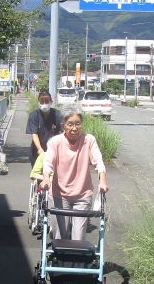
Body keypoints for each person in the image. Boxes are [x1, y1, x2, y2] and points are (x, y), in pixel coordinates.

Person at [40, 109, 108, 240]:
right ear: (63, 125)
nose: (74, 128)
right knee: (60, 236)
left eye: (78, 123)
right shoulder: (55, 142)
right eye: (70, 124)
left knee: (78, 238)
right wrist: (46, 179)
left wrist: (103, 181)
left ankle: (75, 260)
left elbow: (98, 161)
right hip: (59, 195)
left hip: (82, 195)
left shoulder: (89, 140)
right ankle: (59, 259)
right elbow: (48, 162)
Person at [25, 90, 62, 166]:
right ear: (38, 103)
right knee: (37, 175)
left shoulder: (57, 115)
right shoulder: (34, 115)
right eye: (42, 102)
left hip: (54, 151)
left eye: (47, 101)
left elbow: (63, 133)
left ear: (51, 102)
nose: (44, 104)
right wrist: (39, 149)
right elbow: (34, 134)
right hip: (37, 152)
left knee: (52, 175)